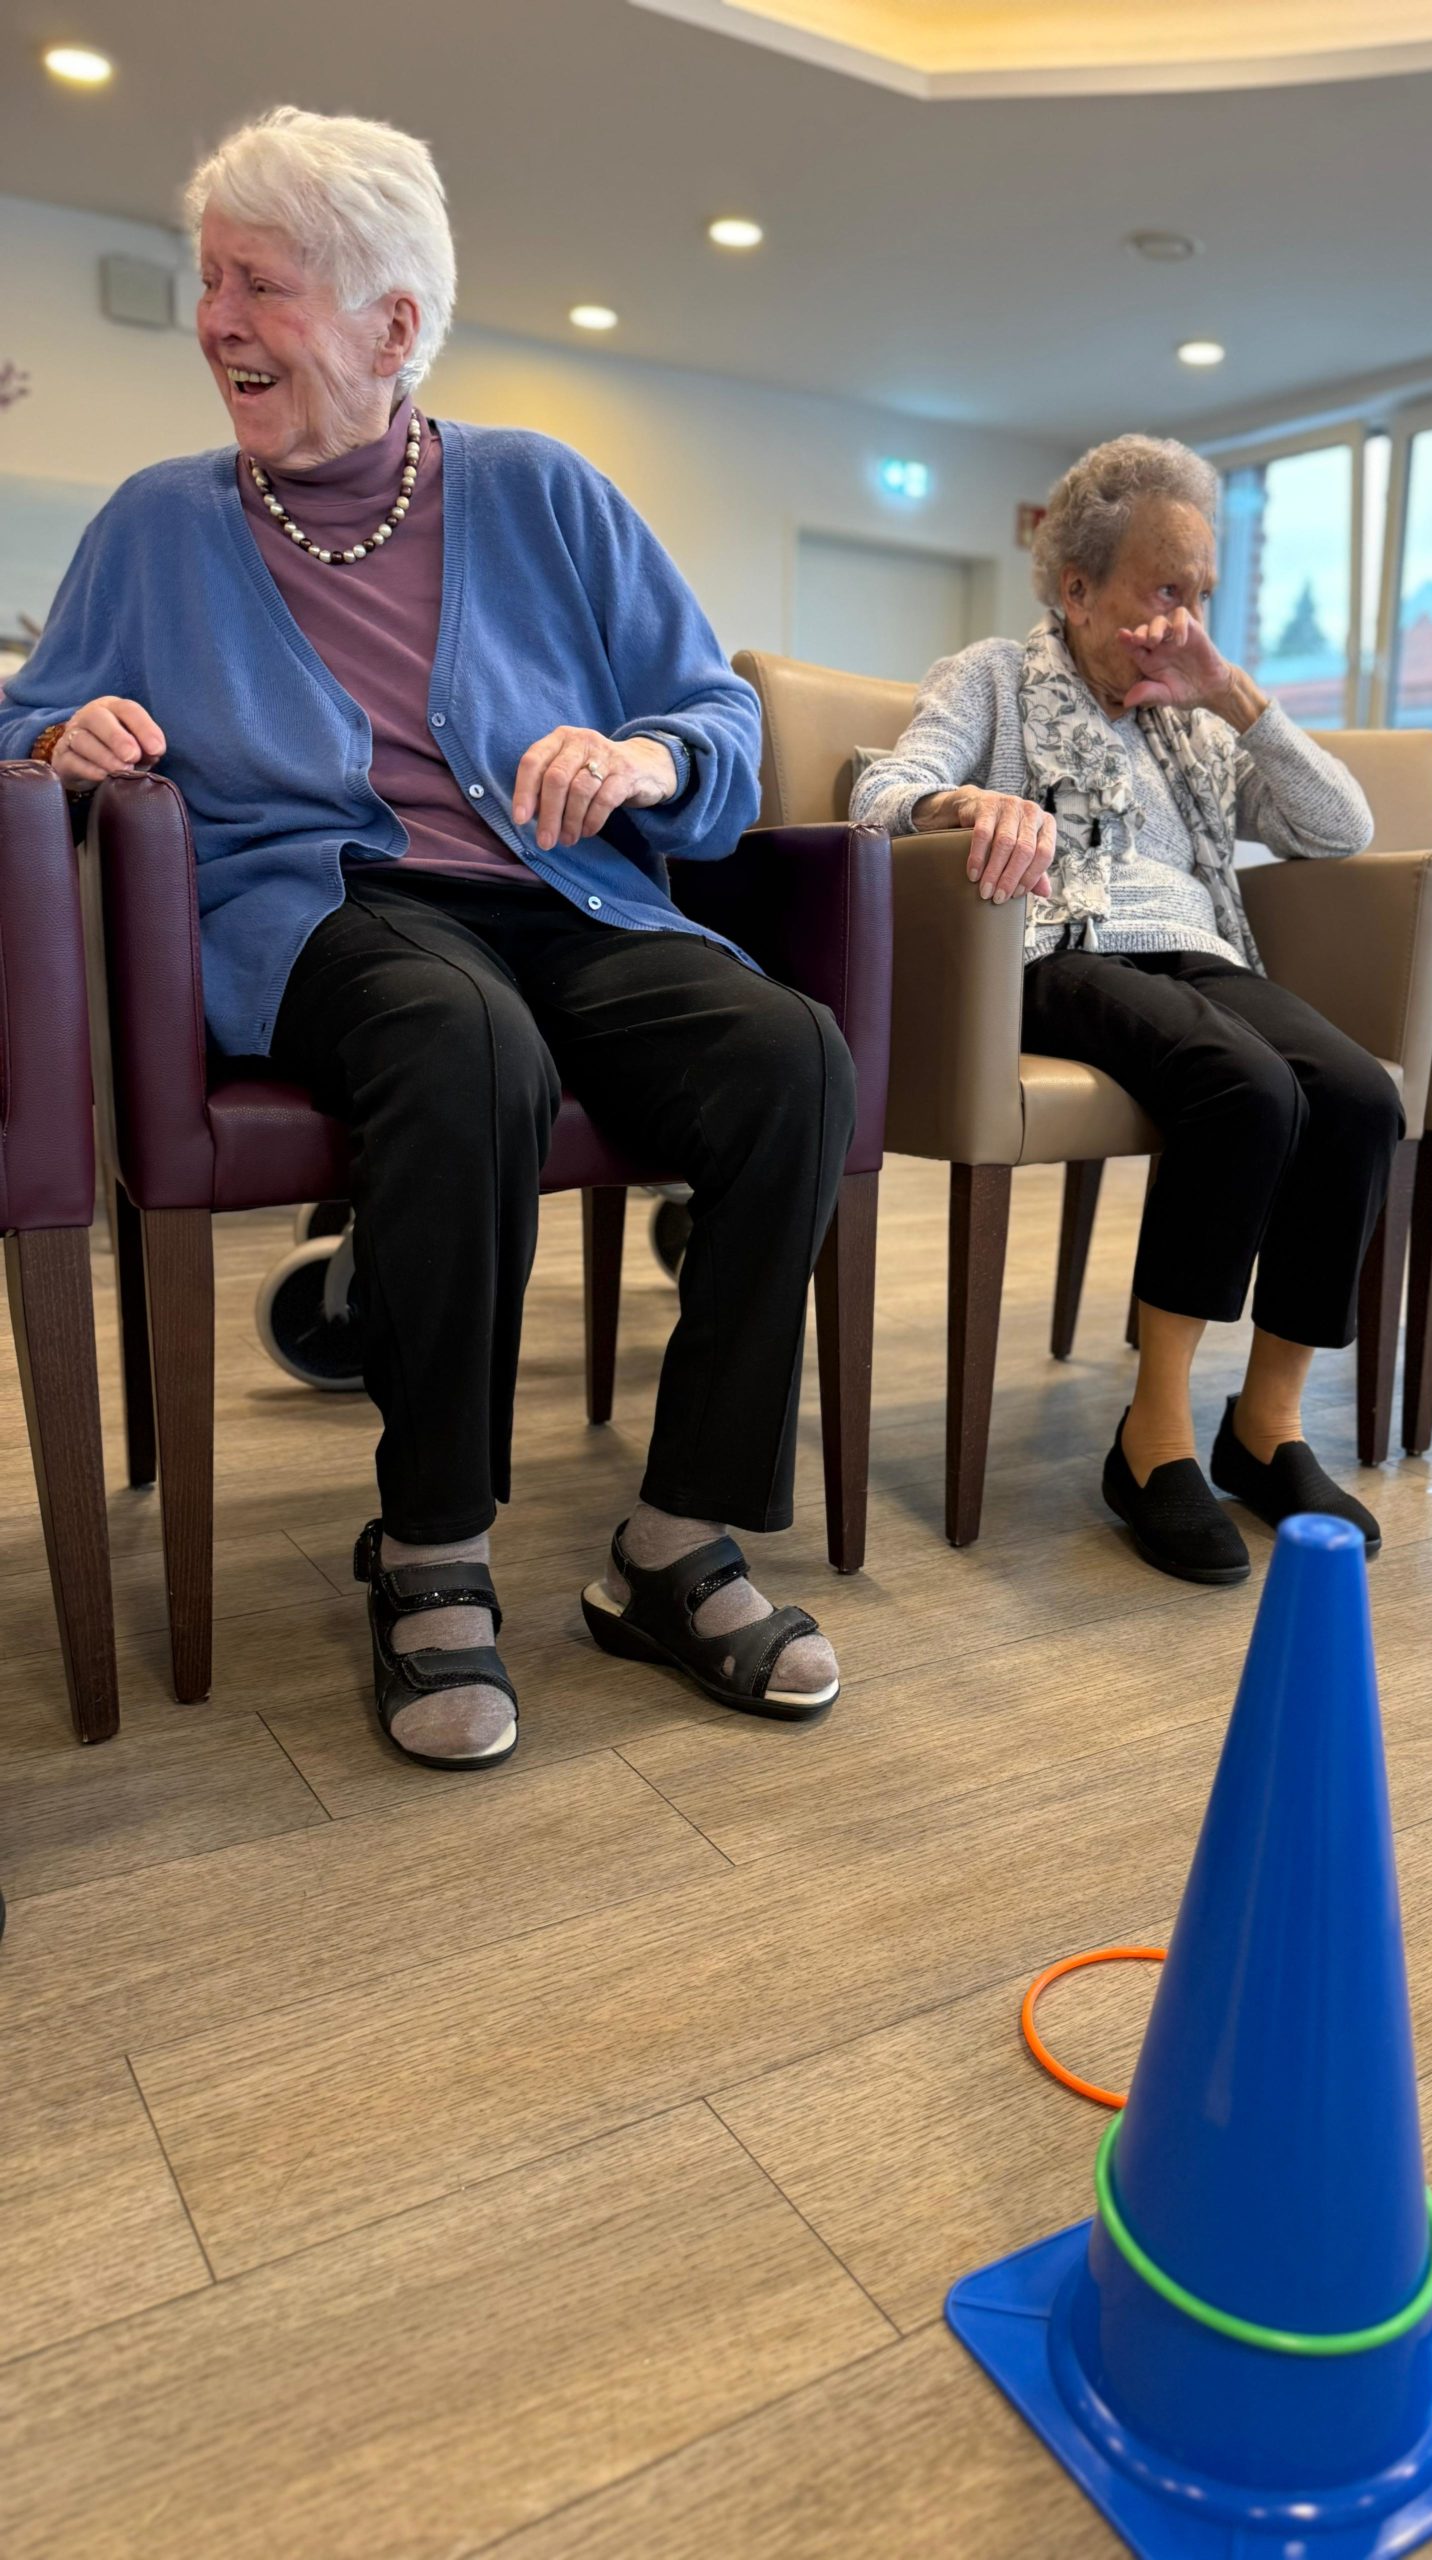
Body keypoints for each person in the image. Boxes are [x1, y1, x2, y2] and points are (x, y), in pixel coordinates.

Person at [0, 108, 854, 1766]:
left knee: (790, 1058)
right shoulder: (158, 523)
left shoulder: (544, 489)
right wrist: (64, 734)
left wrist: (642, 761)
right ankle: (430, 1545)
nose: (218, 322)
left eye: (262, 286)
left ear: (393, 324)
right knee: (465, 1047)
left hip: (566, 890)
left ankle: (676, 1539)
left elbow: (717, 719)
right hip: (324, 908)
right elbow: (28, 720)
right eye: (210, 282)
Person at [851, 434, 1400, 1584]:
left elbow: (1341, 827)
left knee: (1357, 1096)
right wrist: (966, 806)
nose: (1183, 622)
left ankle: (1266, 1428)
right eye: (1164, 592)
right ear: (1078, 588)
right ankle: (1153, 1439)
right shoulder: (992, 674)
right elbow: (880, 790)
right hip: (1057, 942)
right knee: (1243, 1088)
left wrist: (1231, 694)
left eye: (1200, 596)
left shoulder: (1190, 718)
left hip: (1196, 949)